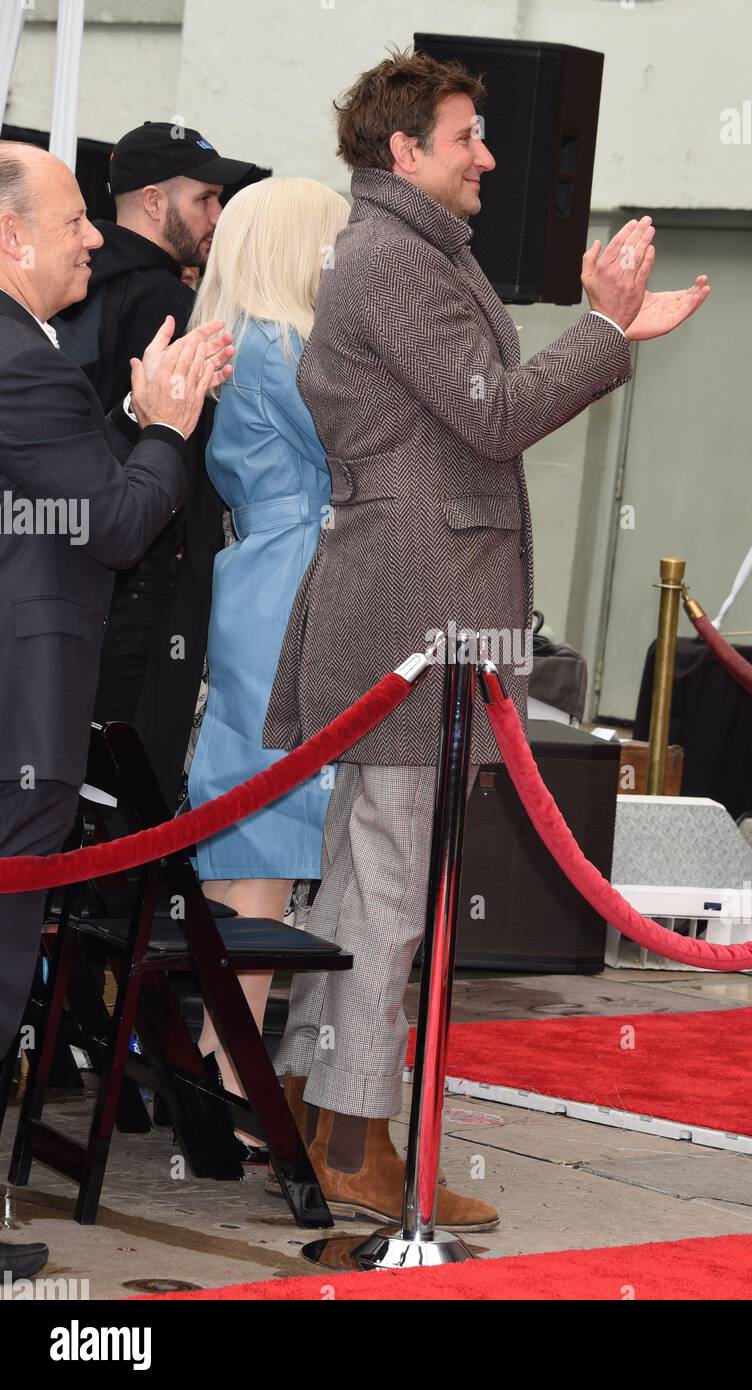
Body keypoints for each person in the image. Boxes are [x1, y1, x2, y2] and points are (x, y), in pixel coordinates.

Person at [262, 49, 709, 1230]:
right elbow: (496, 414)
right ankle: (356, 1137)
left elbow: (473, 410)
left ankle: (324, 1112)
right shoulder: (392, 264)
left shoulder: (403, 255)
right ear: (404, 151)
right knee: (391, 886)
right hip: (413, 607)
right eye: (468, 137)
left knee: (366, 876)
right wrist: (605, 332)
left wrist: (606, 333)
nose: (491, 158)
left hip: (411, 601)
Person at [0, 140, 233, 1279]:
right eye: (74, 219)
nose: (96, 235)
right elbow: (114, 524)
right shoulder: (23, 363)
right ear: (11, 239)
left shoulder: (33, 355)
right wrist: (169, 426)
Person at [185, 176, 350, 1158]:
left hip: (263, 579)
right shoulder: (281, 350)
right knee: (268, 836)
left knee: (255, 833)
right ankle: (226, 1064)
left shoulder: (239, 339)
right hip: (296, 584)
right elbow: (360, 457)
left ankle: (216, 1056)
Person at [55, 122, 253, 810]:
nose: (217, 216)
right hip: (144, 577)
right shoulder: (172, 307)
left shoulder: (61, 298)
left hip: (62, 576)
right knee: (124, 799)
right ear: (150, 200)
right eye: (204, 199)